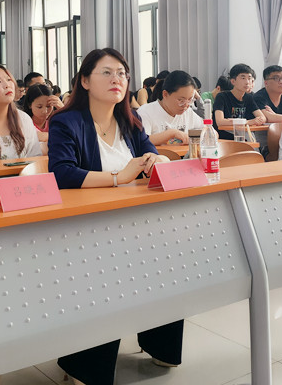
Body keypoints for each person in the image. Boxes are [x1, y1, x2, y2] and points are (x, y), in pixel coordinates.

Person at [48, 48, 178, 385]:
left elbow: (150, 153)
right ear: (85, 81)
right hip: (86, 226)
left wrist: (158, 161)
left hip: (135, 221)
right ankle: (83, 366)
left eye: (121, 73)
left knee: (169, 258)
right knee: (105, 272)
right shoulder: (67, 121)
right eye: (106, 72)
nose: (116, 79)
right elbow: (62, 174)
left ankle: (160, 344)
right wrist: (120, 177)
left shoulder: (130, 121)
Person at [137, 70, 203, 146]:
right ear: (165, 94)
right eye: (181, 100)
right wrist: (172, 133)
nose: (185, 105)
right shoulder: (145, 112)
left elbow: (208, 132)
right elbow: (140, 141)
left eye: (190, 100)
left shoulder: (188, 112)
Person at [213, 64, 266, 140]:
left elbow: (262, 118)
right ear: (233, 81)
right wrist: (247, 122)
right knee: (249, 137)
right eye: (243, 78)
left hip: (242, 133)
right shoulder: (222, 96)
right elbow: (220, 121)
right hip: (224, 136)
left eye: (249, 78)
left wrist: (257, 120)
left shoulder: (248, 97)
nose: (247, 82)